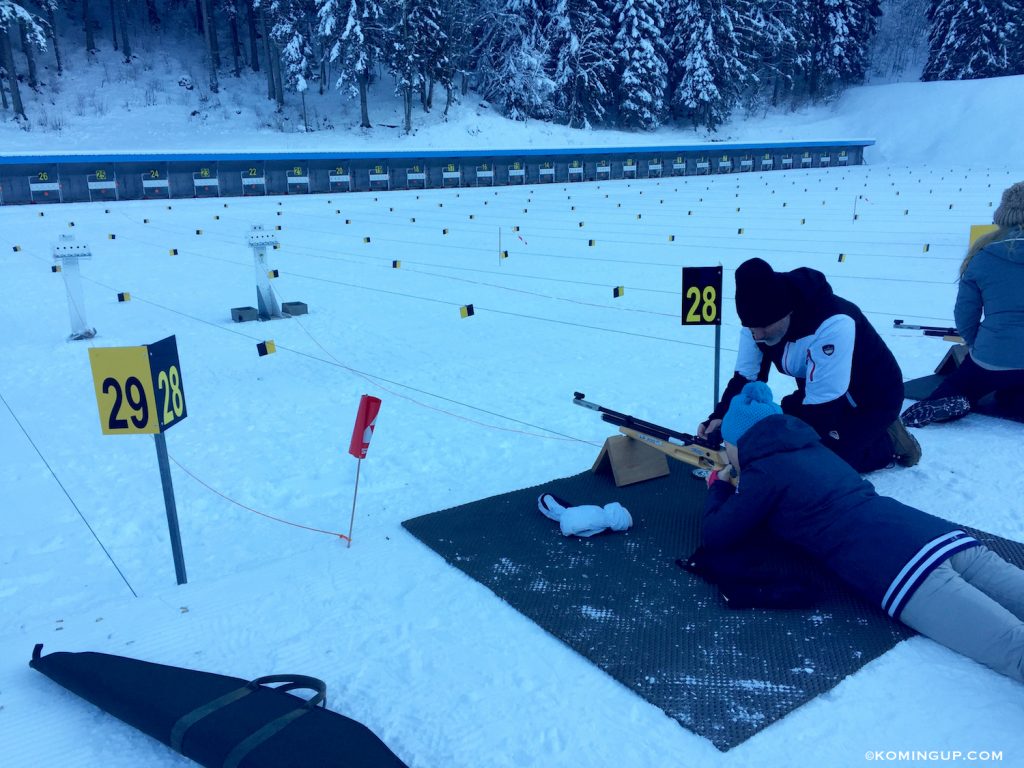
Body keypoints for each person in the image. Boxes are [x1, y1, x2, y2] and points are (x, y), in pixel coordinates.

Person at [701, 381, 1024, 683]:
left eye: (728, 445)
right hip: (940, 536)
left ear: (741, 443)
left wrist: (718, 488)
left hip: (903, 571)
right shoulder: (814, 448)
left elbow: (718, 534)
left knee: (1014, 651)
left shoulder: (764, 472)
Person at [697, 257, 920, 473]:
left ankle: (890, 439)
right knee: (768, 431)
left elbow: (822, 411)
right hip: (816, 392)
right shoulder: (756, 324)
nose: (757, 335)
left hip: (872, 400)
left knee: (819, 463)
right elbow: (745, 378)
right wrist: (720, 417)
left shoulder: (833, 323)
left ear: (787, 313)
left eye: (763, 326)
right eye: (751, 327)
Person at [902, 182, 1024, 427]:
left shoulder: (982, 256)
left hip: (993, 356)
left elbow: (965, 314)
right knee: (1014, 393)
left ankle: (955, 400)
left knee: (958, 387)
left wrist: (974, 344)